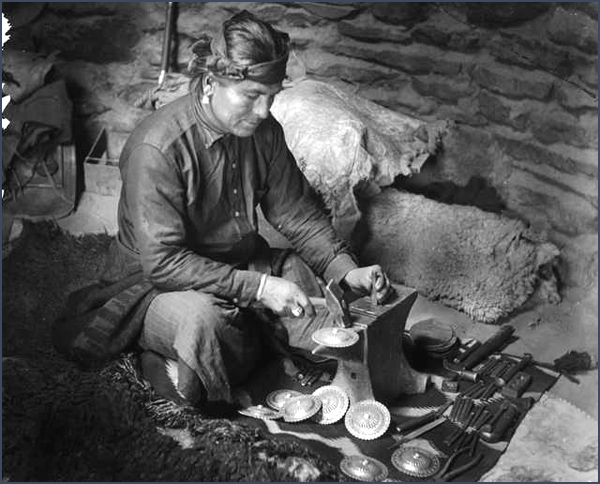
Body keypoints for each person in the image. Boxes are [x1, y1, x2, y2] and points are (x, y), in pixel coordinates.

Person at [56, 10, 392, 407]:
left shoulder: (264, 132)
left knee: (306, 282)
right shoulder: (158, 148)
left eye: (271, 97)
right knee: (206, 324)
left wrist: (346, 271)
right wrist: (260, 289)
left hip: (237, 263)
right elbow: (163, 263)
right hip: (159, 283)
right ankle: (175, 357)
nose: (264, 111)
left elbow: (298, 215)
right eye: (252, 96)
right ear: (212, 82)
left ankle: (244, 342)